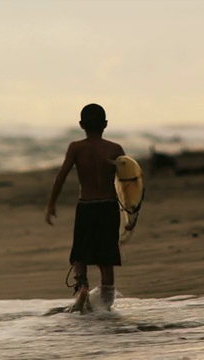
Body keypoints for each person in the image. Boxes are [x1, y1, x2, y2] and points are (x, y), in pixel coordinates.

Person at [45, 103, 125, 313]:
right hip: (108, 206)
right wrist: (130, 212)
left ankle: (82, 287)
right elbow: (129, 182)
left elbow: (61, 175)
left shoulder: (76, 147)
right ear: (105, 124)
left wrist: (51, 203)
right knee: (106, 258)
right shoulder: (115, 149)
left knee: (80, 253)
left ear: (81, 125)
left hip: (87, 206)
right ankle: (105, 304)